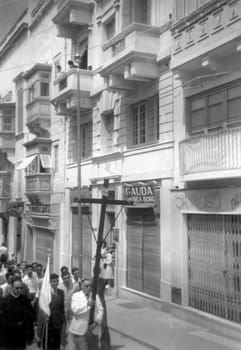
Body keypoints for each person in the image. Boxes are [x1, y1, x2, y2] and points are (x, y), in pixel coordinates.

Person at [68, 278, 103, 350]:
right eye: (87, 286)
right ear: (82, 286)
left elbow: (101, 310)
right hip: (80, 331)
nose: (89, 287)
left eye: (90, 286)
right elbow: (75, 310)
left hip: (93, 329)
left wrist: (96, 323)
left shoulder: (95, 296)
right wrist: (87, 304)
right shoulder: (76, 296)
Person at [1, 277, 35, 349]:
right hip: (9, 334)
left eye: (21, 288)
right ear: (12, 288)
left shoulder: (25, 300)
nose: (19, 290)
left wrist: (30, 335)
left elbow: (30, 317)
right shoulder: (5, 301)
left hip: (22, 333)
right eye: (17, 288)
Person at [37, 273, 65, 350]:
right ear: (49, 282)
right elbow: (41, 311)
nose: (56, 283)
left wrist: (63, 321)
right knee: (47, 346)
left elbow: (62, 308)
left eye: (57, 281)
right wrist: (39, 332)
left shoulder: (61, 292)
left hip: (58, 324)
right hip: (48, 324)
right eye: (54, 281)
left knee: (56, 345)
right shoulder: (45, 294)